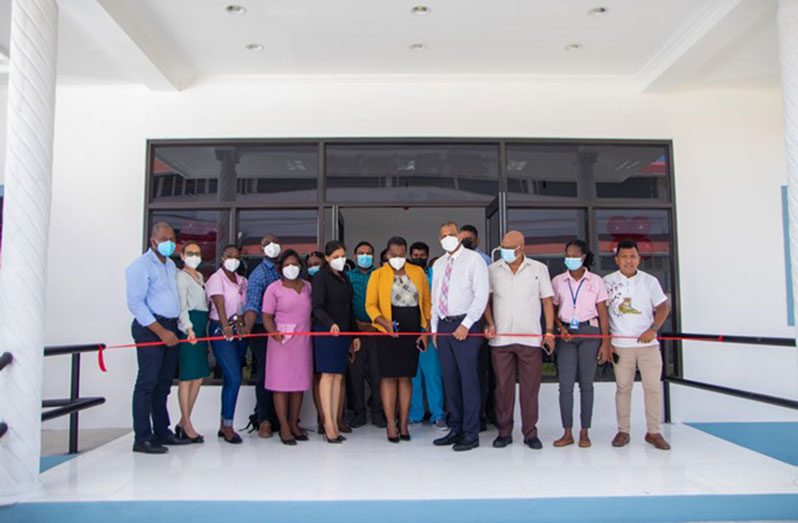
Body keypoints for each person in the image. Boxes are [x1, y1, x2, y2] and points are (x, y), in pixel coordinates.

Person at [484, 231, 555, 450]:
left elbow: (547, 302)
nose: (504, 251)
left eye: (509, 247)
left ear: (521, 247)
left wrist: (549, 332)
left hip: (530, 339)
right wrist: (489, 323)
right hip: (501, 339)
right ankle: (504, 432)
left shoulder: (538, 269)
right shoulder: (492, 270)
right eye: (502, 246)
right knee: (503, 388)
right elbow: (485, 300)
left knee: (530, 388)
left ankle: (530, 433)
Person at [126, 222, 190, 454]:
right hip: (151, 328)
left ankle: (162, 432)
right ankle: (142, 437)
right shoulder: (140, 266)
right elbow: (135, 303)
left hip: (171, 328)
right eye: (164, 239)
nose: (168, 243)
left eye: (172, 238)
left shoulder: (171, 264)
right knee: (147, 384)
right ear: (153, 241)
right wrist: (161, 332)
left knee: (163, 385)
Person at [604, 239, 672, 450]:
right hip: (620, 345)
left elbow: (663, 308)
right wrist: (607, 343)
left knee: (652, 388)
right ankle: (623, 431)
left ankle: (654, 432)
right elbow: (602, 314)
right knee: (623, 388)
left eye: (632, 256)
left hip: (648, 346)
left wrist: (653, 329)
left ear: (639, 258)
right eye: (624, 257)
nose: (628, 261)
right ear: (617, 259)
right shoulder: (607, 282)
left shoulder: (649, 281)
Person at [366, 236, 431, 442]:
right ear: (387, 254)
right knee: (388, 377)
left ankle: (403, 423)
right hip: (387, 331)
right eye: (394, 255)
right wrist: (383, 322)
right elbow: (370, 305)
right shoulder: (378, 275)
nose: (398, 258)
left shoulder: (418, 272)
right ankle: (390, 424)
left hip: (411, 331)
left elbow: (427, 303)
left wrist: (425, 330)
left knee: (405, 377)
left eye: (402, 255)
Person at [431, 222, 489, 451]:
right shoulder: (438, 263)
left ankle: (471, 433)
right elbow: (436, 298)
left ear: (460, 236)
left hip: (466, 325)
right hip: (444, 327)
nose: (447, 238)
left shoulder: (474, 260)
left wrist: (466, 324)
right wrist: (435, 329)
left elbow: (481, 295)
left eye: (451, 234)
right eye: (443, 235)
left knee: (469, 381)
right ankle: (455, 428)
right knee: (450, 380)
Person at [551, 239, 612, 448]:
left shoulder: (595, 281)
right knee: (565, 385)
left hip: (590, 332)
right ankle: (567, 432)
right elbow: (552, 310)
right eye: (567, 255)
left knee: (587, 384)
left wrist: (606, 343)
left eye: (574, 255)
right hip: (567, 335)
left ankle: (584, 432)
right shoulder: (558, 280)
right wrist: (561, 328)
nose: (570, 259)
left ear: (583, 256)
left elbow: (603, 312)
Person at [262, 249, 314, 445]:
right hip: (281, 342)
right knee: (281, 385)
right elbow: (266, 316)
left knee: (298, 384)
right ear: (280, 268)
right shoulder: (273, 289)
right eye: (286, 265)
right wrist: (273, 332)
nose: (291, 268)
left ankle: (294, 423)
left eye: (294, 264)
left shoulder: (308, 286)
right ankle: (284, 425)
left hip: (303, 340)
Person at [312, 240, 361, 443]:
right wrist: (330, 324)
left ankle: (335, 420)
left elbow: (348, 308)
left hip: (342, 333)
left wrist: (354, 334)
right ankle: (328, 425)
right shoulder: (320, 277)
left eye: (342, 256)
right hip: (326, 332)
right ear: (327, 258)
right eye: (335, 257)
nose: (340, 260)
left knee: (338, 377)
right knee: (328, 376)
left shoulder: (343, 277)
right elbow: (317, 307)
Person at [206, 245, 249, 444]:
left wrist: (241, 325)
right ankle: (229, 427)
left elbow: (241, 306)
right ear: (222, 258)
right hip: (221, 329)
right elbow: (219, 303)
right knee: (234, 376)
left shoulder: (242, 281)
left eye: (237, 257)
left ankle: (224, 423)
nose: (233, 259)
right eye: (229, 256)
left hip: (238, 329)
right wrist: (225, 326)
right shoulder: (216, 278)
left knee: (231, 380)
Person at [242, 235, 282, 438]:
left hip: (282, 331)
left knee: (280, 375)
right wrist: (247, 327)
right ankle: (263, 419)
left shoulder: (282, 270)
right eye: (267, 243)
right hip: (261, 330)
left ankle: (280, 418)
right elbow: (252, 305)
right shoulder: (259, 274)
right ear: (261, 249)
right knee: (266, 374)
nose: (272, 246)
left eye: (275, 242)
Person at [346, 241, 385, 428]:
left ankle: (378, 413)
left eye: (369, 253)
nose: (365, 256)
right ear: (354, 256)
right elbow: (343, 304)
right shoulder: (347, 277)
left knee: (378, 374)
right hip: (355, 332)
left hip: (377, 331)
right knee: (356, 375)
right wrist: (357, 325)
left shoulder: (380, 275)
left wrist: (376, 324)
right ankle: (358, 413)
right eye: (361, 253)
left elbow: (385, 302)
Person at [407, 241, 446, 430]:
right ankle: (415, 415)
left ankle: (438, 414)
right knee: (413, 377)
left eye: (422, 255)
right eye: (415, 255)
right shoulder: (404, 275)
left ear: (428, 255)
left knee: (433, 375)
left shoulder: (435, 275)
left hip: (430, 331)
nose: (419, 258)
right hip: (410, 331)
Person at [174, 241, 210, 444]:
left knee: (198, 377)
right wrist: (188, 329)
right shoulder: (181, 277)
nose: (194, 256)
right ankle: (187, 422)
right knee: (187, 377)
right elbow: (181, 306)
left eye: (197, 253)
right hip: (190, 328)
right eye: (190, 253)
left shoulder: (200, 276)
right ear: (182, 255)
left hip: (201, 324)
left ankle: (183, 421)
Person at [459, 224, 494, 430]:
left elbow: (486, 296)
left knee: (479, 371)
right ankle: (462, 416)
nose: (465, 243)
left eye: (468, 239)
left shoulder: (486, 261)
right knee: (460, 371)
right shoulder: (455, 260)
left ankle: (480, 416)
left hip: (479, 321)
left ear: (477, 241)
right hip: (458, 322)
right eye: (462, 239)